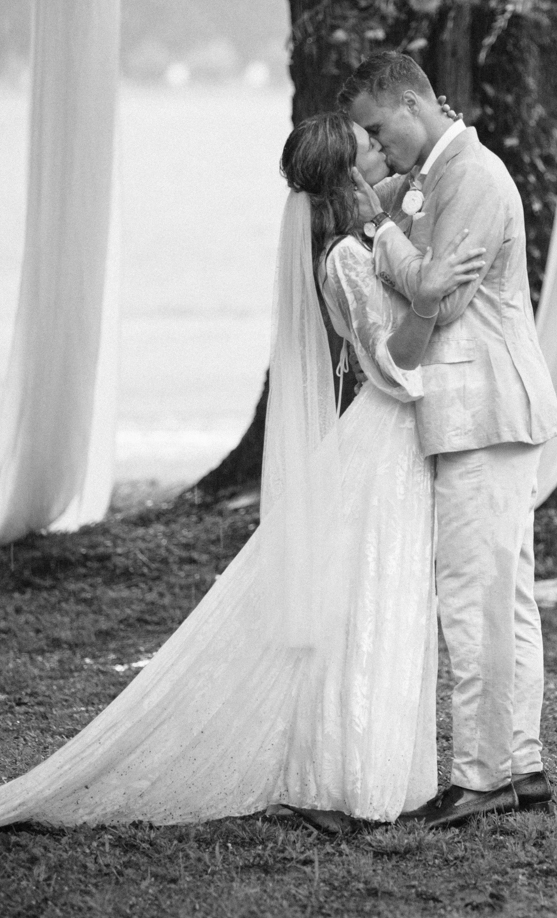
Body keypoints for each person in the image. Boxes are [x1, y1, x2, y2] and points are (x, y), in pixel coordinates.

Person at [0, 111, 483, 834]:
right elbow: (391, 364)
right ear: (348, 176)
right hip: (386, 443)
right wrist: (430, 297)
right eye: (368, 151)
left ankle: (381, 775)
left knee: (388, 602)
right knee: (375, 604)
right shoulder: (347, 259)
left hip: (394, 443)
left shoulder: (364, 242)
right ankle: (348, 781)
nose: (383, 158)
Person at [338, 51, 557, 828]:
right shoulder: (431, 177)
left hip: (482, 408)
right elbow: (387, 218)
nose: (378, 144)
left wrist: (376, 231)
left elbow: (447, 290)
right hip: (485, 411)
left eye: (377, 128)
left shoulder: (471, 175)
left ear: (412, 103)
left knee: (474, 601)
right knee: (506, 600)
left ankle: (479, 778)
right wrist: (376, 210)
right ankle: (521, 766)